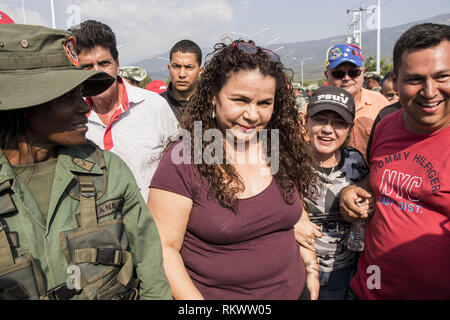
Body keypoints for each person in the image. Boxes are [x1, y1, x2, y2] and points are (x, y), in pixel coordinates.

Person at [0, 23, 171, 300]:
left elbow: (151, 272)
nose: (83, 105)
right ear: (26, 104)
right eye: (68, 96)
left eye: (81, 93)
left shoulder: (109, 172)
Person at [148, 40, 321, 300]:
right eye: (240, 100)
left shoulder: (276, 148)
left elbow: (291, 213)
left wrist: (311, 269)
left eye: (264, 103)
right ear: (212, 97)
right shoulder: (183, 160)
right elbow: (164, 250)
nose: (252, 115)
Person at [340, 23, 450, 299]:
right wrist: (353, 190)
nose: (429, 91)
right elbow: (380, 176)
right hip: (366, 291)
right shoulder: (386, 125)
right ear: (396, 81)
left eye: (442, 77)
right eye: (415, 79)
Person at [69, 20, 178, 202]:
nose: (97, 73)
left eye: (104, 64)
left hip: (151, 224)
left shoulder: (154, 107)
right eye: (87, 67)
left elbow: (180, 168)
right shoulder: (71, 116)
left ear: (117, 64)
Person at [294, 86, 372, 300]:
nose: (328, 129)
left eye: (339, 122)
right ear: (306, 122)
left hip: (345, 274)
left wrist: (366, 207)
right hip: (298, 272)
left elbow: (369, 198)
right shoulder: (290, 163)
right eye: (320, 119)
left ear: (350, 128)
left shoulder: (355, 161)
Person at [324, 44, 389, 162]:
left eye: (353, 73)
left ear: (363, 72)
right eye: (338, 74)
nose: (347, 78)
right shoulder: (311, 110)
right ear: (326, 75)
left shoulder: (380, 103)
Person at [161, 39, 204, 121]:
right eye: (176, 66)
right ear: (169, 68)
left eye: (189, 67)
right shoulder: (158, 105)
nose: (182, 74)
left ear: (200, 70)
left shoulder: (212, 103)